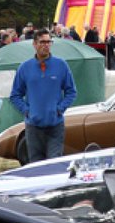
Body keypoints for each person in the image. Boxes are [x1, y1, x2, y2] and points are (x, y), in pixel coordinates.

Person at [8, 30, 77, 162]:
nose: (46, 45)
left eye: (49, 42)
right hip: (33, 126)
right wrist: (27, 111)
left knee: (54, 162)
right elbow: (15, 95)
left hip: (55, 125)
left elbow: (71, 91)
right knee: (36, 165)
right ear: (34, 44)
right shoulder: (25, 68)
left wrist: (60, 109)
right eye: (42, 42)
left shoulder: (61, 65)